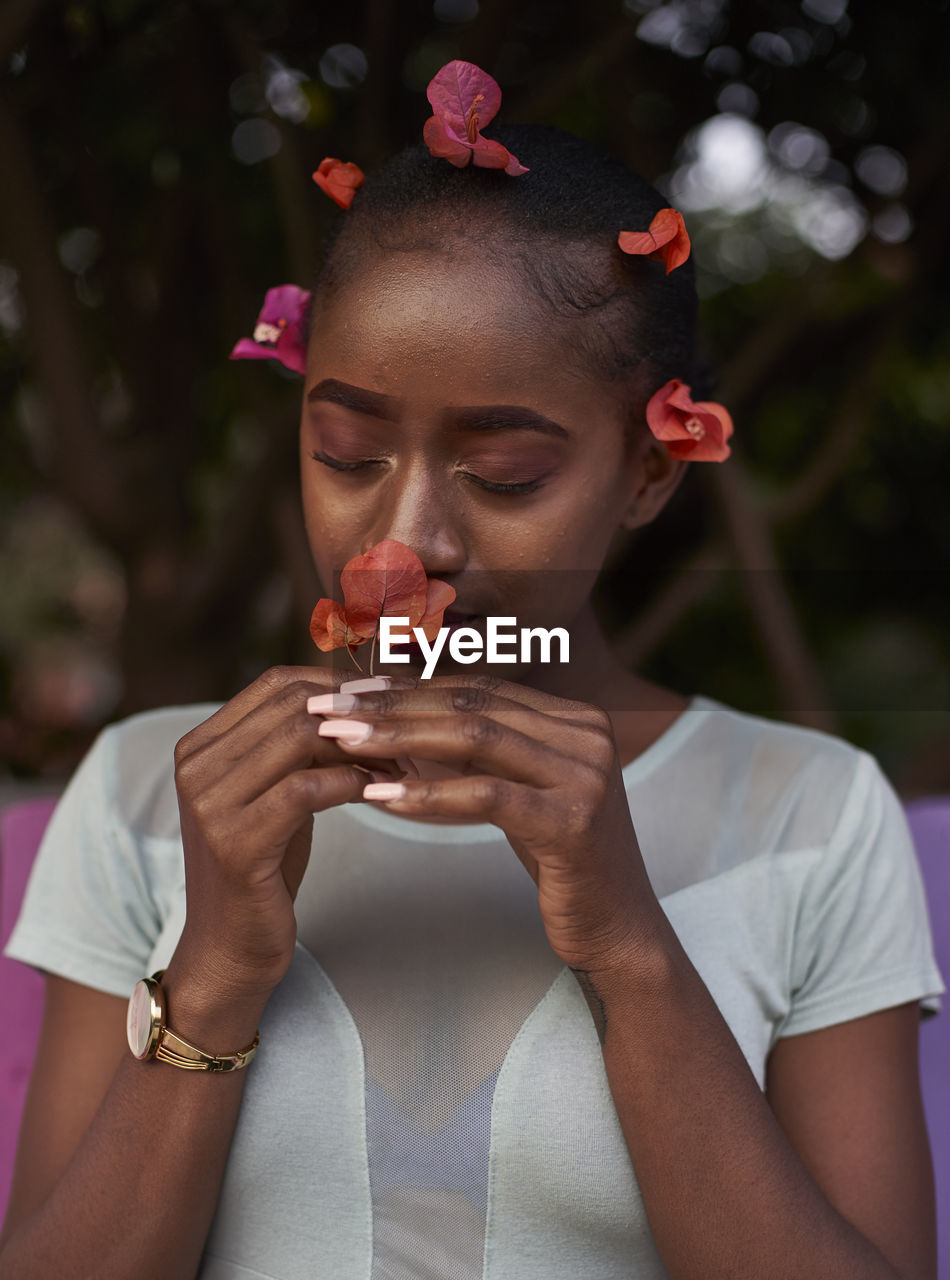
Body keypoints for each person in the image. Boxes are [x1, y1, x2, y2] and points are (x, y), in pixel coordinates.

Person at [0, 61, 944, 1280]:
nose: (406, 543)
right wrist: (216, 971)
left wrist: (627, 944)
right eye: (343, 451)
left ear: (650, 471)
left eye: (501, 476)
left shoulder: (812, 813)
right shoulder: (149, 790)